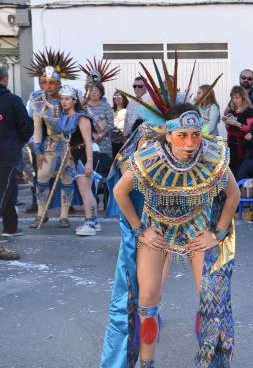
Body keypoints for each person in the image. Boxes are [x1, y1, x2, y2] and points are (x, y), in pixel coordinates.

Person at [100, 62, 240, 368]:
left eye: (195, 135)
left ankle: (211, 363)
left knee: (211, 298)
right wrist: (140, 230)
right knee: (147, 299)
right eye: (182, 136)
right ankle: (147, 364)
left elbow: (233, 195)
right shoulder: (149, 158)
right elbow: (120, 192)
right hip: (157, 229)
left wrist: (216, 232)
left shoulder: (212, 155)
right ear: (169, 135)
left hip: (197, 229)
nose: (190, 144)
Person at [25, 48, 79, 229]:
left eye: (52, 82)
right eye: (44, 82)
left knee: (67, 178)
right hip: (49, 144)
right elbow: (37, 127)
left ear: (59, 82)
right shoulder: (37, 99)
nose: (48, 86)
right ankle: (41, 213)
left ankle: (64, 216)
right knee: (42, 175)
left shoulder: (69, 96)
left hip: (68, 144)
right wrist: (37, 150)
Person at [58, 86, 99, 236]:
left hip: (83, 155)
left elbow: (88, 142)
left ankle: (89, 224)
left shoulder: (82, 117)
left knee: (85, 192)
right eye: (62, 98)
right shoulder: (65, 116)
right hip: (75, 154)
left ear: (75, 101)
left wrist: (89, 162)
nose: (64, 101)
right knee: (87, 191)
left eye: (67, 98)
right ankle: (94, 221)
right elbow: (69, 140)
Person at [0, 66, 34, 244]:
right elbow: (27, 125)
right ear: (5, 79)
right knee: (7, 190)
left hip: (8, 151)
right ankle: (9, 227)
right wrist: (18, 140)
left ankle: (10, 226)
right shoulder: (12, 100)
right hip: (8, 153)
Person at [223, 86, 253, 177]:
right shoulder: (232, 110)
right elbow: (230, 130)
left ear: (243, 97)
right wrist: (227, 124)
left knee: (240, 170)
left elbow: (251, 129)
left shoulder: (249, 111)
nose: (235, 100)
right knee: (231, 168)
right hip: (231, 143)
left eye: (237, 98)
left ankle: (240, 188)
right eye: (233, 98)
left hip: (243, 144)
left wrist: (237, 124)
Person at [112, 91, 128, 157]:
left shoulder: (127, 111)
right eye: (115, 97)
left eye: (119, 96)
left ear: (123, 98)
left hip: (121, 140)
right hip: (111, 140)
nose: (116, 98)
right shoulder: (111, 111)